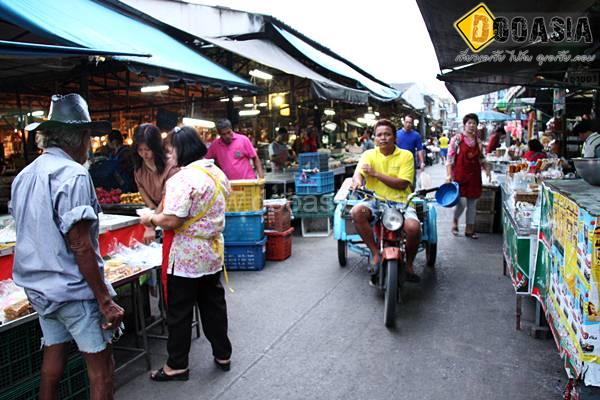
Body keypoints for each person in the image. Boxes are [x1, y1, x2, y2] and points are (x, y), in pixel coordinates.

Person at [11, 94, 124, 400]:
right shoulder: (74, 174)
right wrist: (104, 299)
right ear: (81, 138)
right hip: (74, 290)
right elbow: (81, 246)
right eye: (89, 137)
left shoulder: (25, 175)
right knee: (102, 369)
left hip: (40, 290)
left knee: (52, 361)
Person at [141, 126, 233, 381]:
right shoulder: (216, 173)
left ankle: (177, 365)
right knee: (213, 306)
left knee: (179, 312)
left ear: (180, 149)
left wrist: (150, 217)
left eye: (170, 150)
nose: (168, 156)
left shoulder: (183, 179)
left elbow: (171, 219)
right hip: (211, 253)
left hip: (186, 258)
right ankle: (223, 353)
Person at [350, 119, 422, 283]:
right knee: (356, 212)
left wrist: (375, 174)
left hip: (401, 202)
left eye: (387, 134)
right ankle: (375, 252)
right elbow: (358, 173)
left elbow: (402, 184)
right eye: (379, 135)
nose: (383, 138)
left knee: (413, 227)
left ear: (394, 137)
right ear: (375, 138)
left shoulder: (406, 156)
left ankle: (409, 265)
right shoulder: (368, 154)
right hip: (375, 201)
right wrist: (357, 181)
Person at [133, 124, 179, 244]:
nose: (144, 154)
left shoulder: (172, 166)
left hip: (173, 215)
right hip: (156, 213)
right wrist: (152, 209)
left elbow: (167, 197)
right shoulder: (139, 168)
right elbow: (141, 187)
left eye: (147, 150)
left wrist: (151, 224)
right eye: (140, 150)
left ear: (156, 147)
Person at [447, 113, 491, 239]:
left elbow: (481, 157)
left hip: (474, 176)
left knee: (473, 203)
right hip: (460, 175)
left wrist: (487, 168)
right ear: (464, 125)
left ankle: (469, 229)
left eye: (474, 123)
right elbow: (450, 157)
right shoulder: (457, 139)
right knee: (462, 202)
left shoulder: (478, 141)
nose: (472, 126)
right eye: (469, 123)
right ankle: (455, 220)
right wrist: (449, 174)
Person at [395, 114, 425, 183]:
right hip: (397, 163)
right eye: (406, 122)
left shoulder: (416, 135)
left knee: (411, 183)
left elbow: (420, 150)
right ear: (404, 122)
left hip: (411, 164)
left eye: (410, 122)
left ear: (412, 123)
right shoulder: (396, 134)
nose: (408, 124)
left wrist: (422, 162)